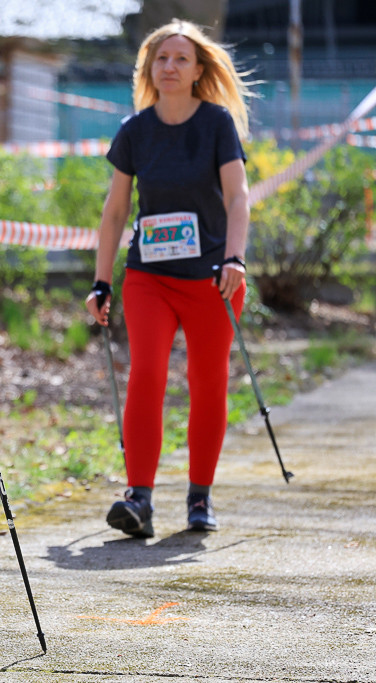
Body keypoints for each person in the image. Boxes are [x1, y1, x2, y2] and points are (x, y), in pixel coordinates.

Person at [85, 20, 254, 538]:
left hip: (212, 279)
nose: (170, 66)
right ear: (149, 70)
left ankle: (199, 497)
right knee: (148, 375)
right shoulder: (135, 130)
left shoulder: (217, 123)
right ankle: (139, 499)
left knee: (208, 385)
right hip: (148, 278)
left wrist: (235, 259)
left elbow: (238, 197)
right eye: (161, 59)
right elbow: (115, 212)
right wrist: (101, 281)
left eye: (181, 58)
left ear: (199, 69)